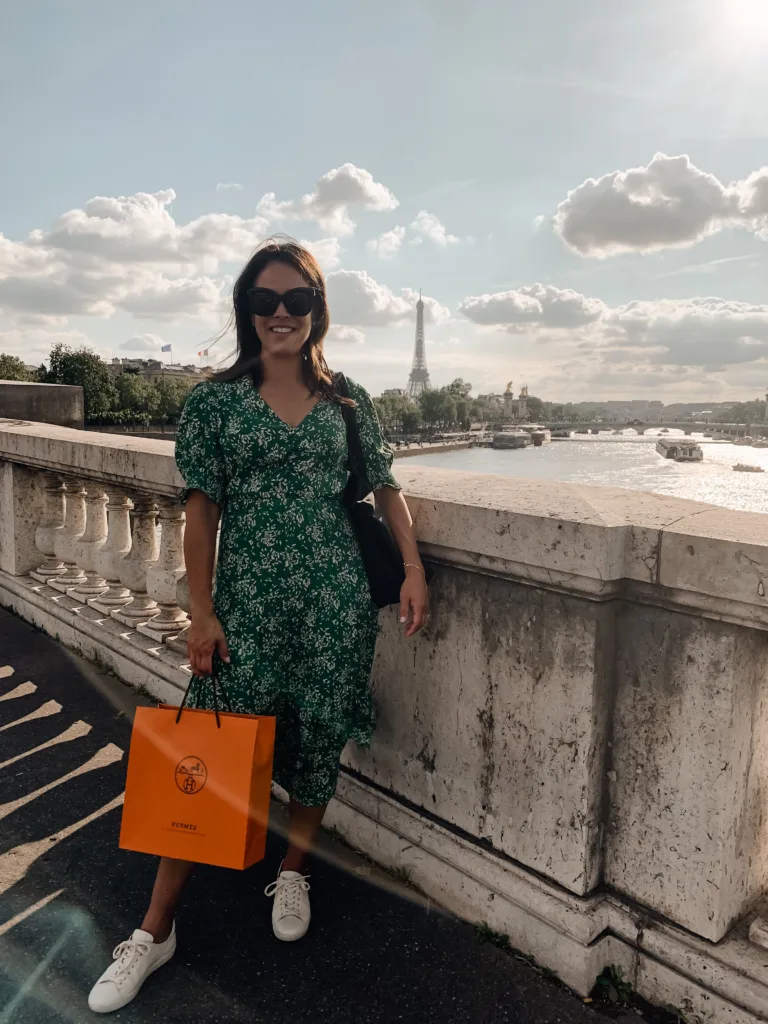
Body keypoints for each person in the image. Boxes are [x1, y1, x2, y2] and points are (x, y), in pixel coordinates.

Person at [87, 239, 429, 1014]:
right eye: (265, 300)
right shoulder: (213, 402)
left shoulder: (349, 401)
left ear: (317, 308)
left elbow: (384, 487)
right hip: (246, 610)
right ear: (246, 310)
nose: (281, 314)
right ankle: (154, 928)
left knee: (314, 740)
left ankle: (295, 869)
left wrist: (411, 567)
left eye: (297, 300)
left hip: (334, 605)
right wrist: (201, 611)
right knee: (202, 759)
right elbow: (200, 512)